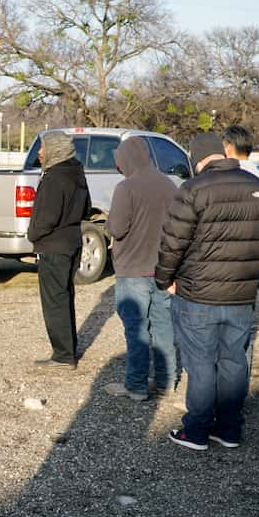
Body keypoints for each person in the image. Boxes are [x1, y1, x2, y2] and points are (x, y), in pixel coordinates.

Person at [156, 132, 259, 451]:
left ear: (197, 159)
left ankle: (196, 431)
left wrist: (163, 279)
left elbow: (172, 242)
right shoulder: (257, 186)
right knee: (234, 361)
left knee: (200, 364)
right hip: (242, 293)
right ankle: (229, 429)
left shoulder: (193, 189)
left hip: (198, 293)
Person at [103, 137, 177, 401]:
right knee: (163, 327)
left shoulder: (126, 188)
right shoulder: (169, 185)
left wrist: (109, 218)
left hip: (132, 269)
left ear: (126, 158)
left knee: (136, 330)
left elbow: (117, 228)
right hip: (163, 270)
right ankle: (167, 381)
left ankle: (136, 386)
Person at [26, 131, 91, 368]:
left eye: (43, 147)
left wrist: (32, 235)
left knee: (55, 301)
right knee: (64, 297)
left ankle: (63, 355)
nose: (40, 152)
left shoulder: (54, 177)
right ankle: (68, 348)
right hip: (72, 241)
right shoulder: (77, 172)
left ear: (55, 149)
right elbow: (87, 208)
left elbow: (46, 217)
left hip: (54, 246)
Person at [222, 125, 259, 388]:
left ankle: (218, 394)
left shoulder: (225, 178)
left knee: (221, 337)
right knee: (242, 334)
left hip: (221, 271)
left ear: (229, 147)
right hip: (253, 268)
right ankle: (238, 391)